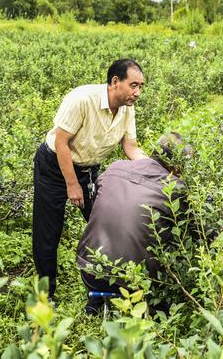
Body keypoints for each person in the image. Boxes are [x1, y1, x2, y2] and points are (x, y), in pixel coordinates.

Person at [33, 59, 147, 300]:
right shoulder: (82, 99)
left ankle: (102, 291)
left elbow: (131, 147)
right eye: (133, 85)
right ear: (115, 82)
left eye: (141, 87)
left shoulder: (127, 110)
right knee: (48, 233)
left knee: (105, 226)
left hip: (88, 170)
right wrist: (72, 185)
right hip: (54, 166)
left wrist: (155, 170)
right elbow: (61, 142)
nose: (137, 93)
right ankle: (47, 296)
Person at [76, 132, 192, 315]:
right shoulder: (177, 189)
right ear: (177, 164)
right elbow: (194, 234)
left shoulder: (115, 168)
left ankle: (96, 300)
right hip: (135, 282)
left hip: (89, 271)